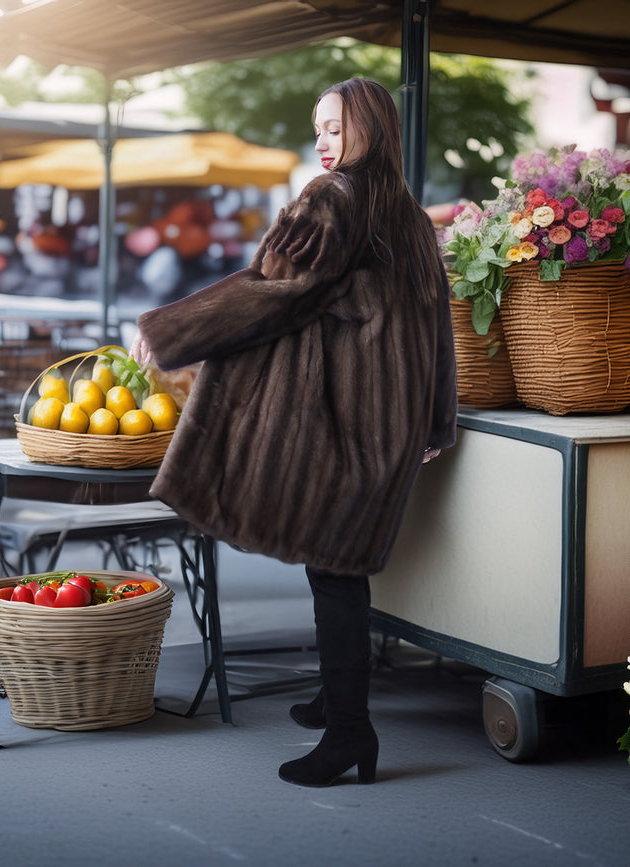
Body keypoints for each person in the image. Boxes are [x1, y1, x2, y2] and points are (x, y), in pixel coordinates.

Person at [130, 77, 457, 788]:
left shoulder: (332, 200)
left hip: (343, 417)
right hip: (388, 421)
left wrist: (169, 331)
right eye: (320, 129)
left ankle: (350, 732)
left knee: (336, 572)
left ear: (370, 127)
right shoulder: (405, 215)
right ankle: (335, 701)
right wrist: (436, 418)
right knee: (335, 561)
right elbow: (438, 326)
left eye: (335, 127)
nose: (323, 142)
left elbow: (271, 287)